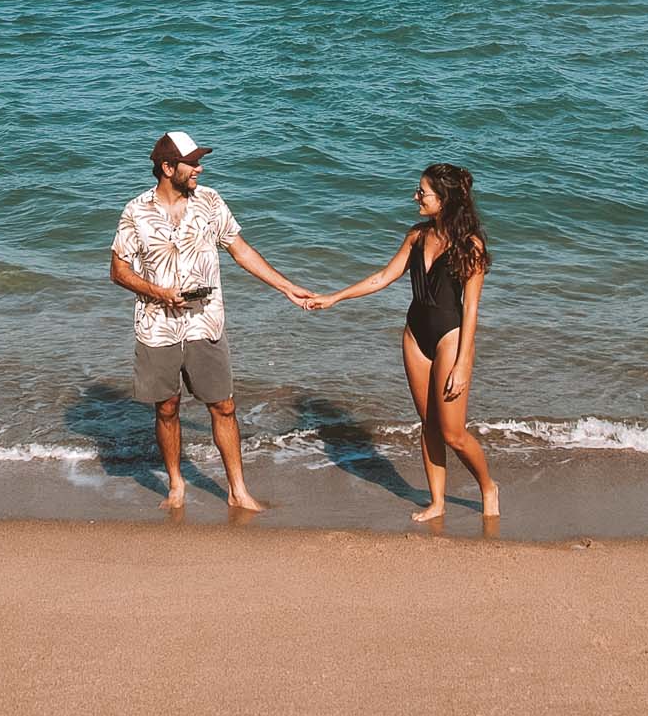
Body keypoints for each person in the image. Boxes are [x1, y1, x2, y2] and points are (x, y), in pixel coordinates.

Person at [109, 130, 317, 511]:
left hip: (206, 322)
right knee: (167, 408)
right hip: (157, 326)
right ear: (167, 167)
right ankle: (176, 485)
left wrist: (286, 287)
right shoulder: (135, 211)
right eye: (192, 163)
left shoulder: (210, 201)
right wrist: (159, 293)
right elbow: (118, 270)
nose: (199, 169)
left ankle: (238, 491)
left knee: (224, 406)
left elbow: (240, 249)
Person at [312, 163, 499, 521]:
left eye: (422, 192)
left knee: (454, 432)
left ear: (444, 199)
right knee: (427, 424)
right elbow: (383, 277)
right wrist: (334, 297)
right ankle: (438, 502)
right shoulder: (416, 236)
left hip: (451, 337)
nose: (416, 197)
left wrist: (462, 363)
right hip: (415, 335)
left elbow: (472, 310)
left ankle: (488, 486)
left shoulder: (470, 245)